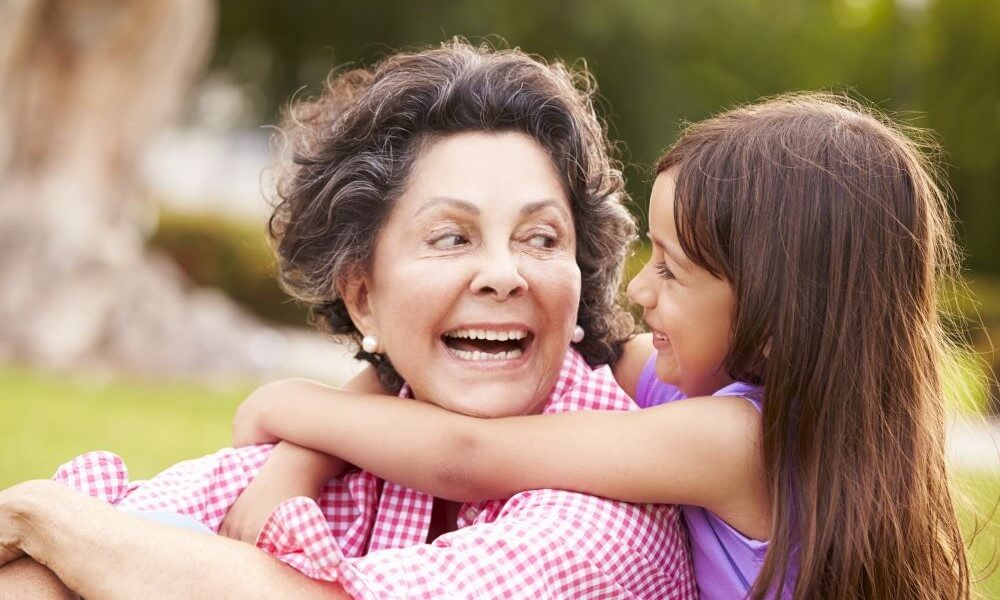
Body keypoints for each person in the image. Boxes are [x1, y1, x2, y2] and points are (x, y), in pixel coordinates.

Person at [0, 41, 696, 598]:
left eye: (541, 239)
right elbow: (86, 553)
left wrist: (45, 518)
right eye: (451, 237)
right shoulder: (344, 445)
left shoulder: (611, 514)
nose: (503, 274)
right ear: (363, 296)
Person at [227, 93, 974, 599]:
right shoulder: (700, 389)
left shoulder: (737, 438)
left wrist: (290, 406)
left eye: (674, 272)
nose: (640, 293)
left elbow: (471, 457)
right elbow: (424, 372)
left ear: (777, 320)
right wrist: (306, 453)